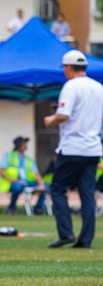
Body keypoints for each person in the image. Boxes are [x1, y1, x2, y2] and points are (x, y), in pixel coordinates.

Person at [44, 50, 103, 248]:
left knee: (57, 188)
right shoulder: (98, 87)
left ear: (68, 67)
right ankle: (85, 240)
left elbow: (64, 115)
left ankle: (66, 233)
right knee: (87, 195)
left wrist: (50, 120)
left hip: (72, 148)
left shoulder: (71, 86)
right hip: (93, 149)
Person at [0, 136, 46, 215]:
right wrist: (10, 179)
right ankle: (11, 208)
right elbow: (0, 170)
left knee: (45, 187)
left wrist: (41, 184)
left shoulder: (28, 159)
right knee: (17, 187)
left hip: (27, 182)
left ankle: (38, 209)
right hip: (14, 183)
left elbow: (36, 173)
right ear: (19, 145)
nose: (26, 145)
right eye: (24, 143)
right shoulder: (9, 156)